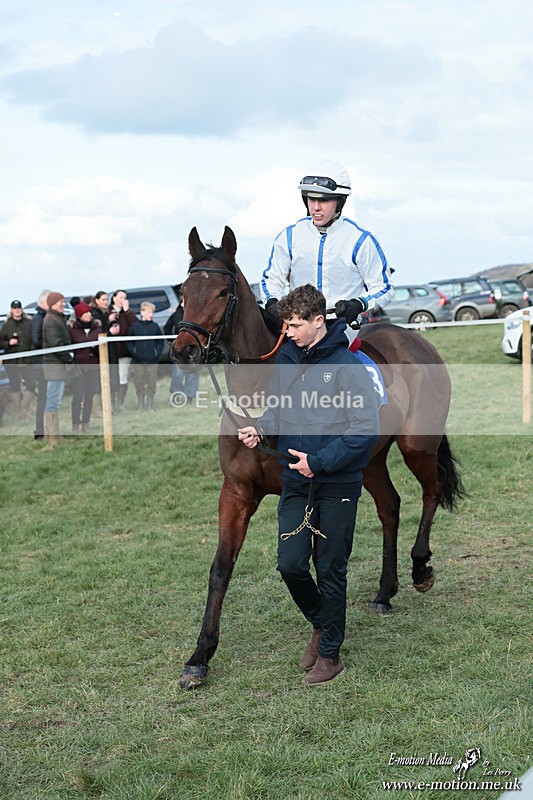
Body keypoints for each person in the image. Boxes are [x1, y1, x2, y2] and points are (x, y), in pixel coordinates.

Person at [238, 284, 379, 686]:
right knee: (290, 563)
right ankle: (321, 622)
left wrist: (319, 463)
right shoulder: (286, 359)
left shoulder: (347, 367)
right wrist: (261, 429)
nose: (289, 331)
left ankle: (330, 654)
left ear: (320, 321)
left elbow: (364, 429)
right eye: (285, 324)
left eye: (296, 324)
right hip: (296, 480)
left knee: (330, 568)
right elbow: (280, 411)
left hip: (337, 483)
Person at [261, 158, 395, 336]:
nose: (315, 207)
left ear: (339, 202)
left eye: (323, 201)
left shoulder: (361, 240)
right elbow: (272, 279)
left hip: (343, 328)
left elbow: (384, 287)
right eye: (311, 199)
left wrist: (359, 303)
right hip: (298, 328)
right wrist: (272, 302)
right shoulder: (289, 236)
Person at [42, 292, 75, 443]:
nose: (63, 304)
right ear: (52, 303)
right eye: (60, 302)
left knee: (55, 399)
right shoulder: (51, 320)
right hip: (54, 365)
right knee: (53, 400)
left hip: (58, 365)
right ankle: (53, 435)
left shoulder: (57, 318)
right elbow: (56, 345)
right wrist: (69, 358)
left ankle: (53, 434)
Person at [68, 301, 101, 433]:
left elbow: (103, 346)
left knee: (89, 396)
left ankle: (86, 423)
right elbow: (69, 348)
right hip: (78, 367)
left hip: (93, 367)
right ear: (79, 315)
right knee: (77, 397)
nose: (88, 315)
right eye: (85, 313)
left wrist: (96, 351)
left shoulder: (97, 328)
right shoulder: (71, 329)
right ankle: (75, 424)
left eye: (89, 312)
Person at [0, 300, 36, 420]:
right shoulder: (6, 325)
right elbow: (1, 343)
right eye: (15, 308)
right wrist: (8, 343)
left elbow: (33, 339)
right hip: (12, 361)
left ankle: (23, 410)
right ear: (11, 310)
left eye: (19, 308)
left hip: (26, 360)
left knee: (31, 384)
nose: (17, 310)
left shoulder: (28, 323)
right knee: (15, 386)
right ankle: (18, 413)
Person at [127, 302, 164, 411]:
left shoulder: (155, 326)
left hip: (152, 361)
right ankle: (141, 404)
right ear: (142, 312)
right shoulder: (135, 326)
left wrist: (156, 353)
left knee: (152, 382)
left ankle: (150, 405)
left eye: (152, 312)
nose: (151, 314)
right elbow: (129, 342)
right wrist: (134, 352)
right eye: (148, 312)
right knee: (139, 382)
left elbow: (160, 342)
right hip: (138, 361)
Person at [163, 299, 200, 403]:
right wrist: (173, 341)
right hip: (178, 350)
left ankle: (190, 397)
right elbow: (167, 328)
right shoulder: (176, 314)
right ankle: (177, 395)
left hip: (193, 350)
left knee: (192, 374)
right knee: (177, 374)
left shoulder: (196, 314)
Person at [90, 291, 120, 417]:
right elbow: (98, 333)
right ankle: (98, 410)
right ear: (96, 300)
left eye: (107, 299)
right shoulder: (94, 314)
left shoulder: (105, 312)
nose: (105, 302)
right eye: (103, 299)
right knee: (100, 381)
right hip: (99, 352)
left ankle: (110, 407)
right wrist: (110, 330)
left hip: (111, 350)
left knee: (113, 378)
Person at [108, 290, 137, 411]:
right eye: (120, 297)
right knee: (111, 377)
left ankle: (119, 404)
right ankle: (111, 404)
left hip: (124, 350)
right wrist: (109, 319)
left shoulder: (127, 313)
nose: (123, 300)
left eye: (125, 298)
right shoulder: (108, 311)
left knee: (122, 377)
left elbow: (135, 325)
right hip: (110, 351)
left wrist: (127, 311)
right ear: (114, 298)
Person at [30, 290, 52, 439]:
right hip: (41, 363)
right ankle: (40, 430)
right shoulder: (39, 319)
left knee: (48, 397)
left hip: (46, 362)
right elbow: (36, 340)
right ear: (43, 303)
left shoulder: (45, 317)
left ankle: (46, 428)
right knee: (43, 397)